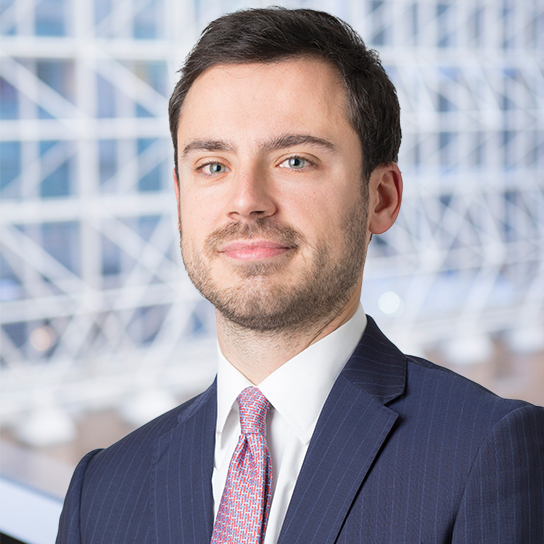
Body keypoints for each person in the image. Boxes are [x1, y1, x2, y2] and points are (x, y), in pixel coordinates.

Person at [57, 7, 544, 544]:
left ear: (381, 198)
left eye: (295, 161)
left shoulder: (486, 453)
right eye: (213, 166)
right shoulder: (100, 490)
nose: (247, 201)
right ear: (179, 198)